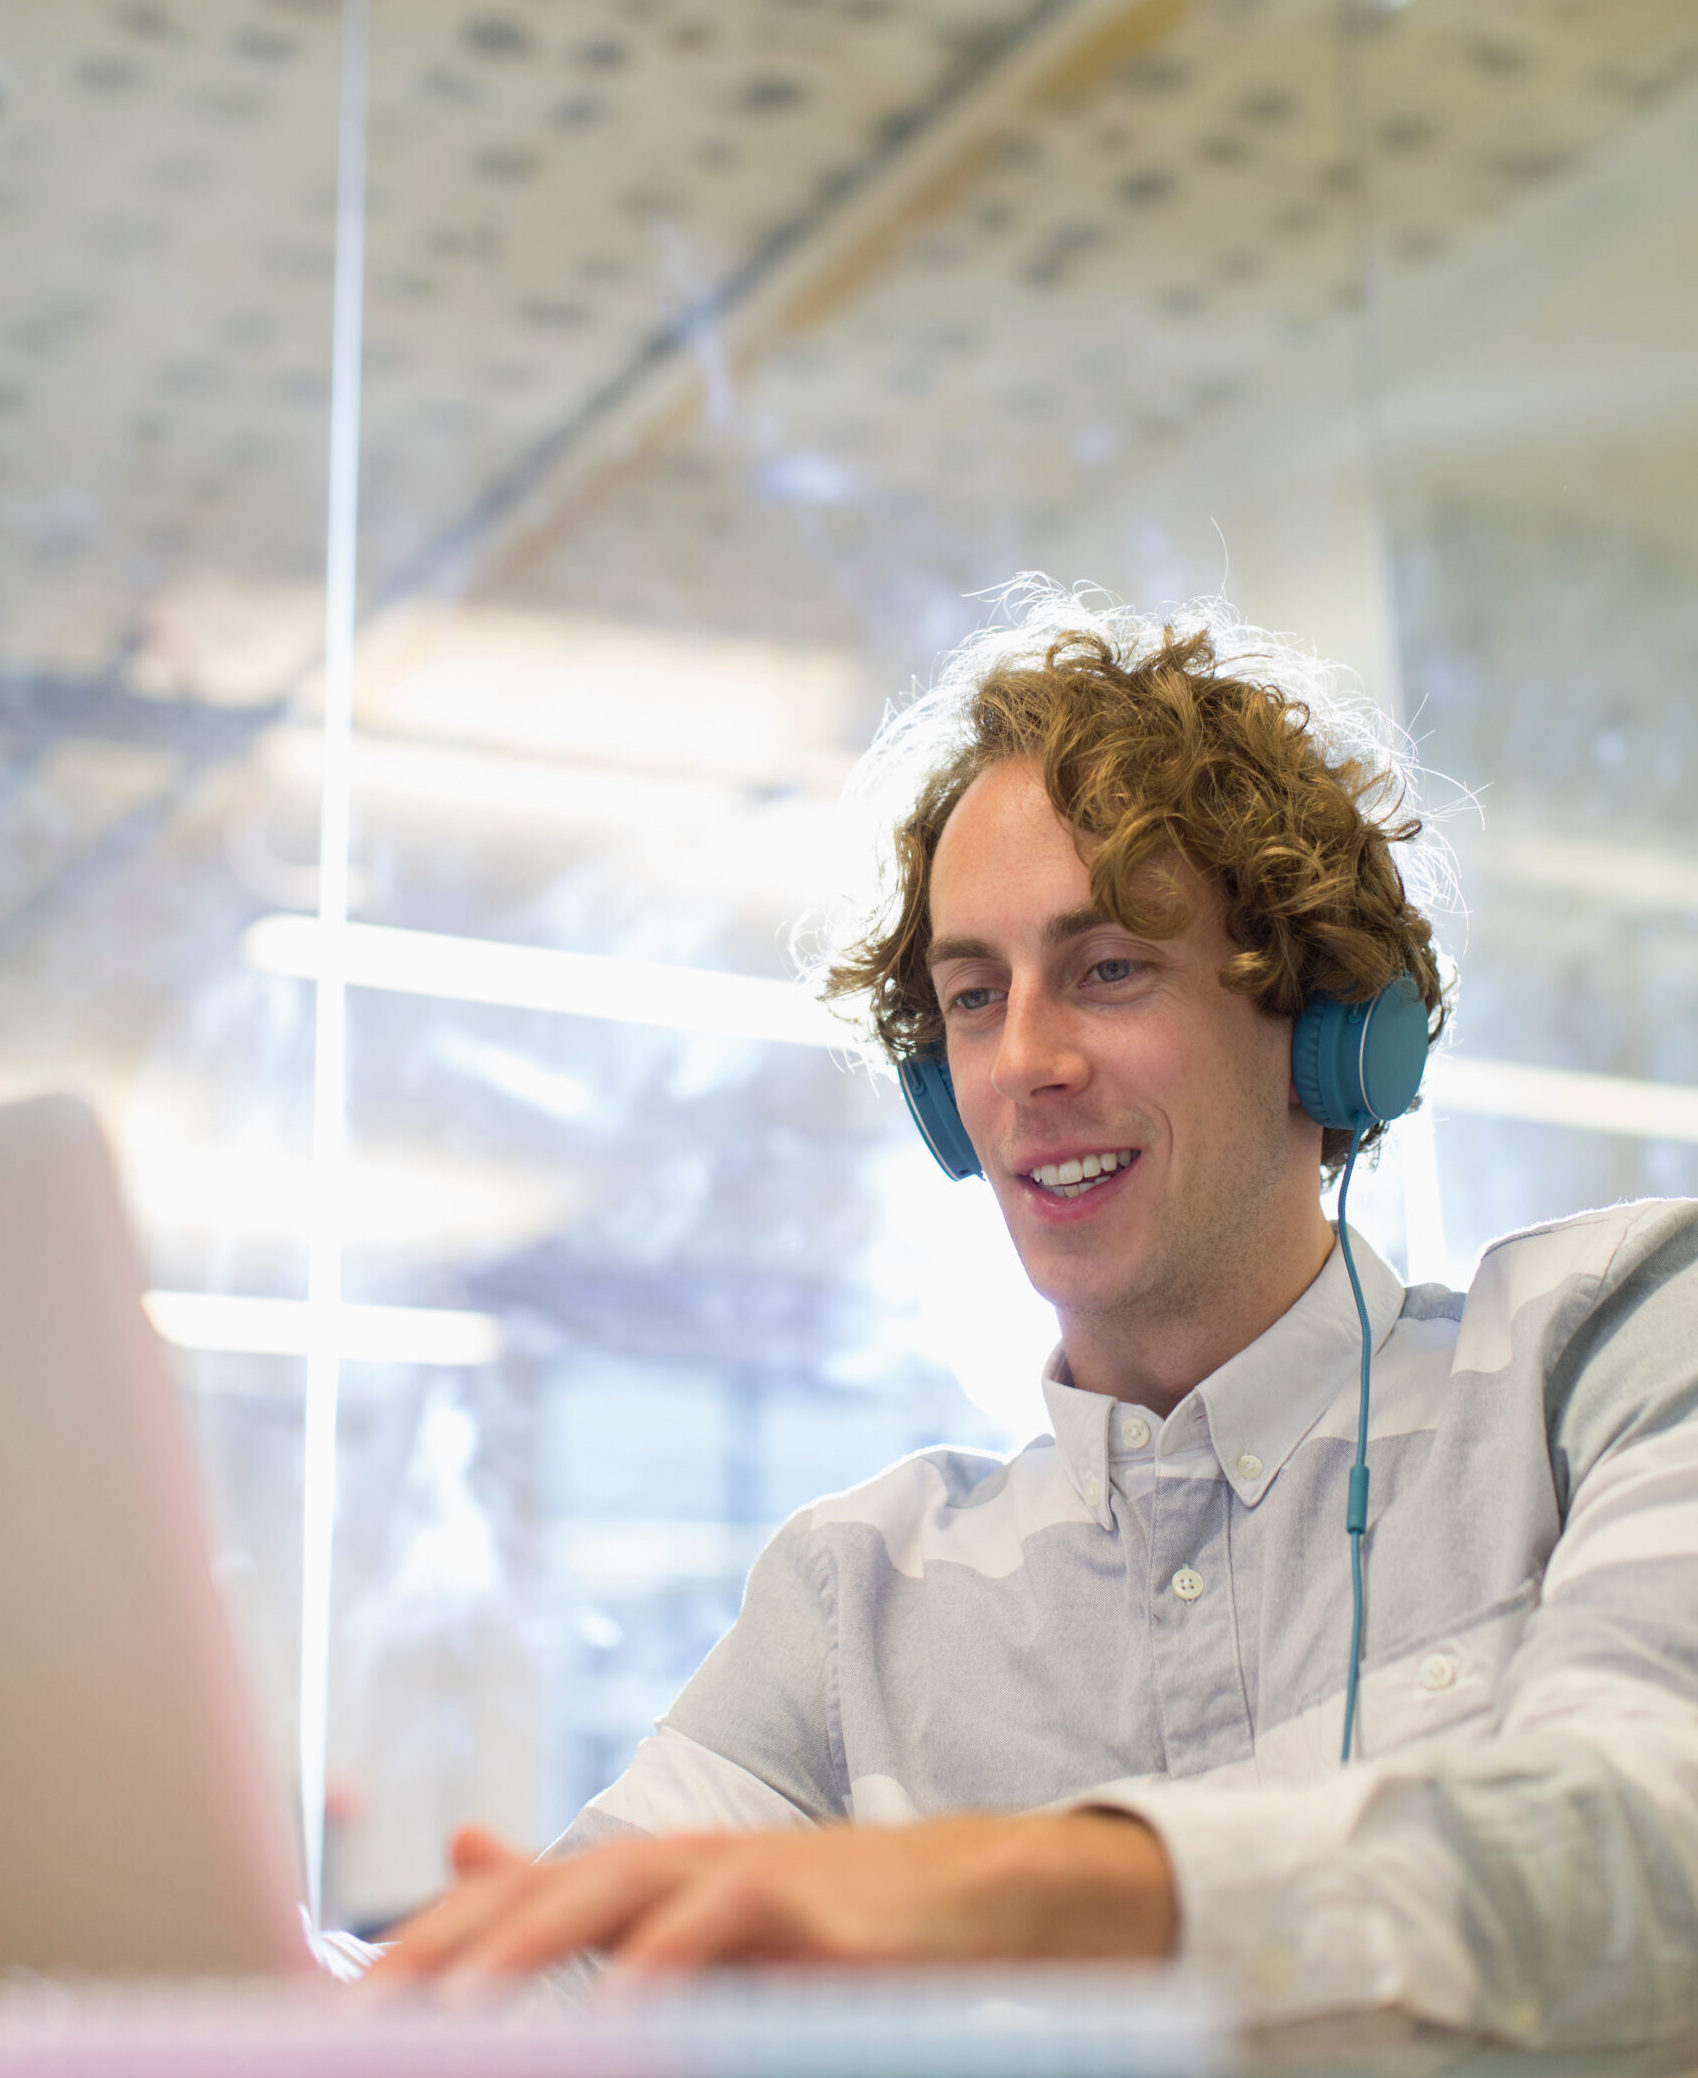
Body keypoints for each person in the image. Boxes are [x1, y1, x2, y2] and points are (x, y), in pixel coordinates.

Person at [370, 586, 1698, 2046]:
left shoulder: (1609, 1350)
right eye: (971, 996)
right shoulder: (855, 1594)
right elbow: (555, 1994)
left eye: (1107, 969)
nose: (1026, 1063)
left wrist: (1032, 1885)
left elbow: (1651, 1841)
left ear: (1328, 1030)